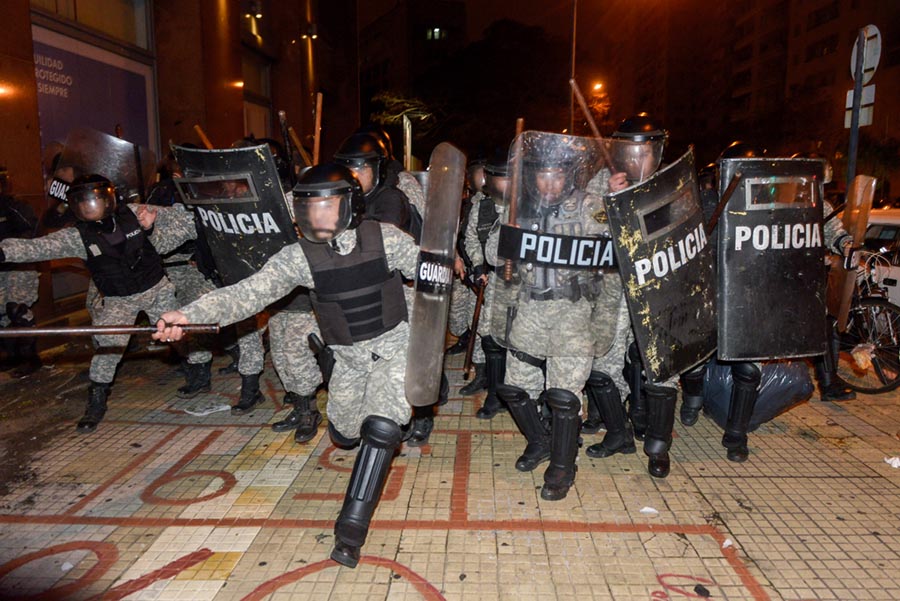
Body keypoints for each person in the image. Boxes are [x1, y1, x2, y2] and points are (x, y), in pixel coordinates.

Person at [153, 163, 421, 568]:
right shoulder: (298, 257)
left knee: (381, 428)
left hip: (395, 347)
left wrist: (440, 267)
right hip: (349, 359)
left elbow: (429, 273)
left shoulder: (385, 238)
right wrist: (188, 315)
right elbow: (247, 293)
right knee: (345, 434)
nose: (318, 216)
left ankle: (349, 534)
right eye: (309, 208)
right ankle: (332, 372)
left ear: (350, 205)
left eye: (327, 206)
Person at [0, 174, 179, 433]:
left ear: (108, 199)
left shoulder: (134, 213)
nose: (90, 206)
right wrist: (4, 251)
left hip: (156, 288)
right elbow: (40, 247)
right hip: (119, 298)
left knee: (180, 334)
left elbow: (176, 220)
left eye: (94, 200)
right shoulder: (78, 235)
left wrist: (155, 226)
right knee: (108, 348)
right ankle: (97, 400)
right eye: (83, 202)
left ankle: (197, 370)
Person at [485, 132, 605, 501]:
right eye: (542, 175)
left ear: (568, 175)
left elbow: (612, 246)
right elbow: (491, 254)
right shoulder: (521, 208)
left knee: (564, 394)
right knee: (516, 385)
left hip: (572, 310)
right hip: (531, 308)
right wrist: (510, 232)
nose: (549, 183)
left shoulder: (588, 205)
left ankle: (563, 466)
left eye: (557, 175)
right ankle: (541, 441)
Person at [584, 114, 669, 475]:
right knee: (602, 361)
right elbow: (584, 228)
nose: (638, 160)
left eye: (645, 153)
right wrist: (608, 200)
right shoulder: (601, 183)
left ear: (657, 152)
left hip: (657, 286)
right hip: (613, 289)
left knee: (662, 365)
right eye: (631, 152)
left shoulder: (670, 182)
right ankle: (618, 432)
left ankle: (659, 446)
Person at [461, 149, 509, 417]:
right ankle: (495, 394)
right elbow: (471, 238)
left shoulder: (528, 206)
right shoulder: (482, 207)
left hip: (524, 287)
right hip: (492, 281)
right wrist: (479, 266)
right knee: (490, 338)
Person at [0, 166, 42, 376]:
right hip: (1, 270)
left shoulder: (14, 206)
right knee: (2, 316)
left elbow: (31, 231)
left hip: (19, 267)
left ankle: (30, 358)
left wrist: (9, 250)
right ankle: (12, 357)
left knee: (17, 310)